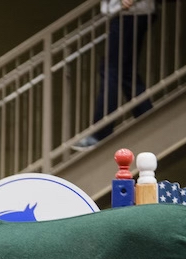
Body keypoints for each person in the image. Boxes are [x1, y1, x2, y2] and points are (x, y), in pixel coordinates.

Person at [73, 0, 156, 151]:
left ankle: (101, 133)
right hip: (129, 13)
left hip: (130, 13)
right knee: (125, 72)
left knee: (111, 70)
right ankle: (147, 118)